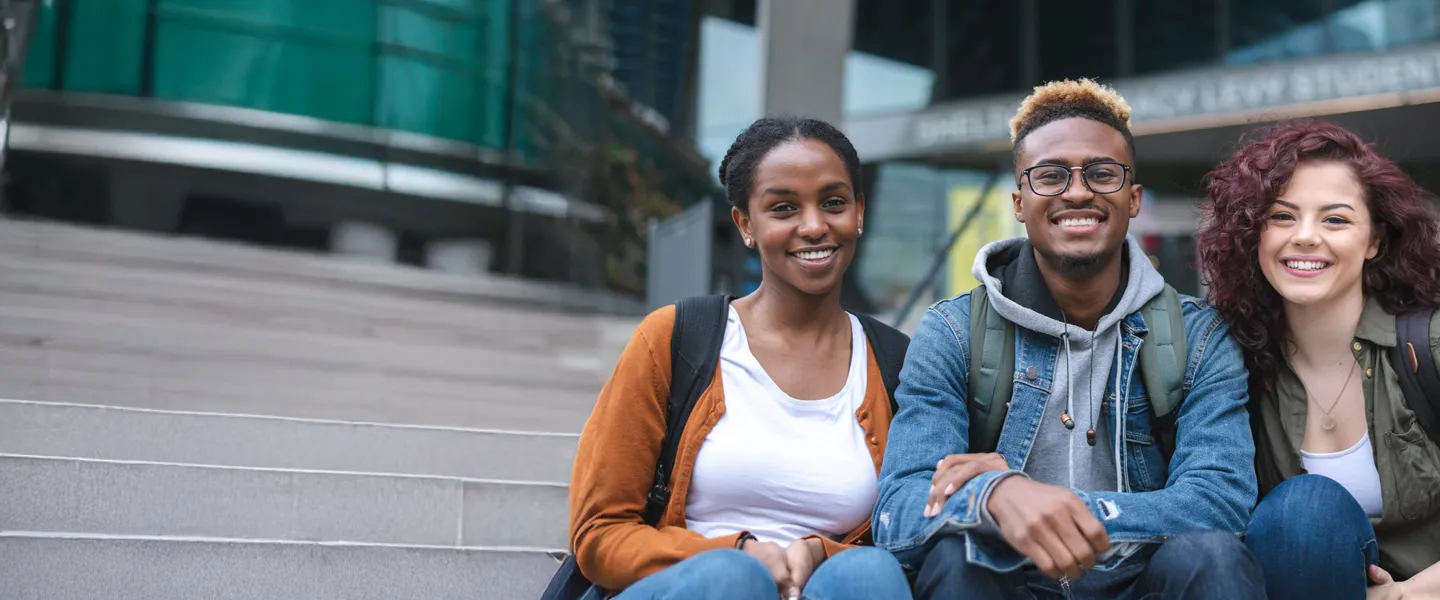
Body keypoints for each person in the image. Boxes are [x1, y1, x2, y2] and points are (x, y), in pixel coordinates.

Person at [871, 79, 1265, 600]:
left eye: (1101, 173)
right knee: (955, 559)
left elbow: (1220, 502)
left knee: (1212, 556)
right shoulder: (952, 332)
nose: (1077, 191)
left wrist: (1059, 504)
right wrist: (994, 497)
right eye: (1050, 175)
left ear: (1133, 199)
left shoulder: (1197, 335)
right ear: (1018, 201)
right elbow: (898, 513)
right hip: (1012, 580)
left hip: (1143, 581)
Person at [566, 117, 912, 600]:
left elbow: (909, 542)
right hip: (691, 585)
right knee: (734, 581)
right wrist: (740, 551)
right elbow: (599, 535)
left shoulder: (898, 365)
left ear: (859, 212)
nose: (814, 226)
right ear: (745, 224)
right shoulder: (673, 339)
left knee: (870, 575)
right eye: (784, 208)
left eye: (833, 203)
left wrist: (816, 553)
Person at [1196, 120, 1440, 600]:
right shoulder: (1229, 360)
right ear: (1254, 234)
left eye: (1335, 219)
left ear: (1375, 241)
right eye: (1282, 217)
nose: (1305, 237)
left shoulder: (1427, 347)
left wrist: (1406, 594)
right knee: (1302, 513)